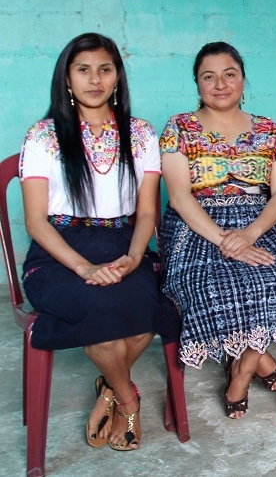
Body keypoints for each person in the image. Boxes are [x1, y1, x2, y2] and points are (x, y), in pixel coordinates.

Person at [19, 33, 180, 451]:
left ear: (117, 77)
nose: (95, 80)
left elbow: (147, 212)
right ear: (67, 78)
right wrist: (84, 267)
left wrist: (134, 256)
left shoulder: (141, 134)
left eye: (105, 69)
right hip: (59, 251)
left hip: (125, 242)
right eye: (83, 70)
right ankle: (127, 398)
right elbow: (35, 221)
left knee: (146, 308)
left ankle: (108, 385)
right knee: (102, 319)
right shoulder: (43, 136)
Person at [158, 41, 276, 420]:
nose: (220, 84)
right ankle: (260, 361)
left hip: (260, 227)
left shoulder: (269, 129)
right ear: (197, 83)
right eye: (209, 77)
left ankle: (242, 371)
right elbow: (179, 197)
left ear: (243, 79)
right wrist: (227, 241)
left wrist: (249, 234)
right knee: (213, 287)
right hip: (196, 230)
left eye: (229, 74)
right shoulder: (179, 128)